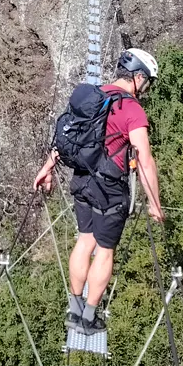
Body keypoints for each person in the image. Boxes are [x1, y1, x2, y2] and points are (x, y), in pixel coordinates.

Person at [34, 48, 164, 335]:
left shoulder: (93, 95)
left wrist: (47, 167)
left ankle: (74, 310)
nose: (146, 88)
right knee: (104, 251)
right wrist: (155, 203)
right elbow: (145, 160)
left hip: (82, 181)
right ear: (138, 77)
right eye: (147, 82)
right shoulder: (132, 109)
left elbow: (69, 137)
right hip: (109, 190)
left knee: (84, 241)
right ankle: (89, 318)